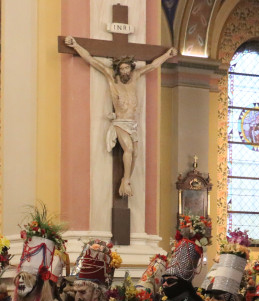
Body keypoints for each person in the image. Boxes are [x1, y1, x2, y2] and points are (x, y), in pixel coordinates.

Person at [64, 37, 177, 197]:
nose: (124, 71)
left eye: (126, 68)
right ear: (118, 69)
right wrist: (75, 45)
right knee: (129, 149)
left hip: (133, 123)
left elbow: (153, 65)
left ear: (131, 68)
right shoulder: (112, 76)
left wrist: (168, 55)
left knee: (136, 154)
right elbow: (91, 60)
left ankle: (128, 180)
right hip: (120, 122)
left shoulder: (136, 76)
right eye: (122, 69)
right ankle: (125, 180)